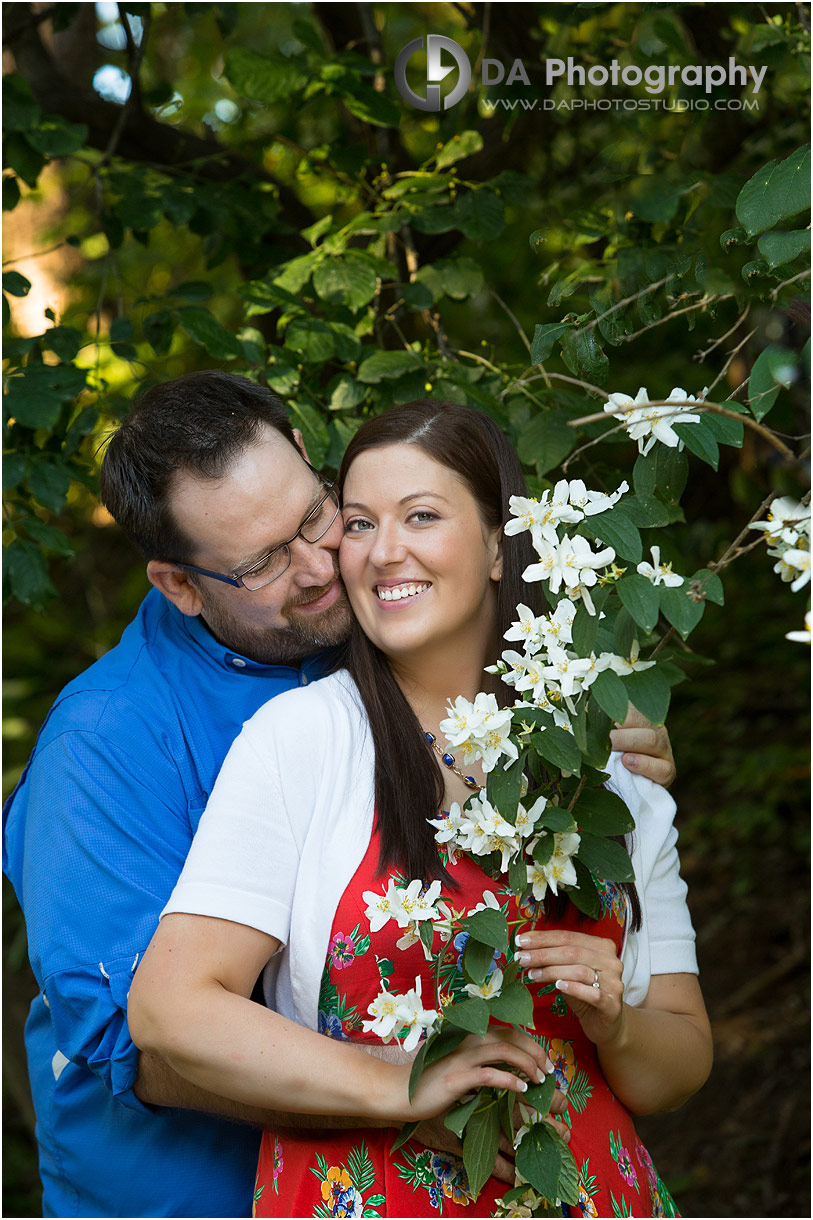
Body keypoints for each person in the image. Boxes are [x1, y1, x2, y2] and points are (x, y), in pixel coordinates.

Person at [2, 371, 675, 1219]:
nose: (323, 565)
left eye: (319, 515)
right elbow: (145, 1044)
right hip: (187, 1192)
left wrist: (590, 730)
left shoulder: (354, 625)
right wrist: (395, 1091)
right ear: (179, 585)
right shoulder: (100, 748)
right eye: (263, 561)